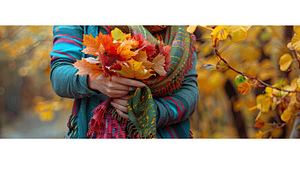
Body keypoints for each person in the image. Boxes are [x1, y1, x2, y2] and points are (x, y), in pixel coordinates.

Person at [50, 25, 199, 138]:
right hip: (95, 132)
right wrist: (94, 81)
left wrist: (152, 112)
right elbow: (59, 75)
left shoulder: (179, 32)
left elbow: (189, 90)